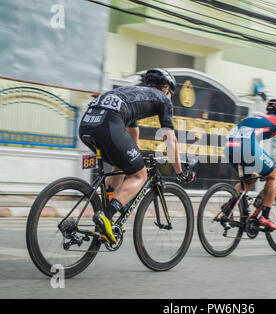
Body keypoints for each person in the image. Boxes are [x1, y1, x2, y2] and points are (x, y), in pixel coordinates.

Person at [79, 68, 194, 244]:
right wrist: (180, 172)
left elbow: (133, 137)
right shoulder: (163, 99)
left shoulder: (131, 93)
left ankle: (107, 211)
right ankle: (106, 216)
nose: (169, 96)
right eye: (171, 93)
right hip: (109, 123)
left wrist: (134, 159)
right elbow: (170, 140)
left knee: (121, 165)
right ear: (166, 89)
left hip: (87, 124)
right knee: (140, 175)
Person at [223, 98, 276, 230]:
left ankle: (228, 207)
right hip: (247, 146)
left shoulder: (258, 117)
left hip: (230, 147)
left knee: (249, 180)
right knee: (272, 175)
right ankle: (264, 217)